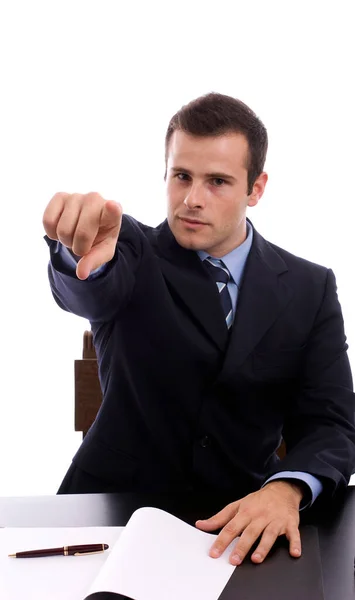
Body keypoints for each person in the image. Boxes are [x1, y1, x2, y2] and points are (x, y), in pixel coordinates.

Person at [43, 92, 355, 567]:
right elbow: (93, 289)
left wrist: (287, 489)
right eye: (181, 176)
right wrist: (77, 255)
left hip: (240, 524)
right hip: (110, 514)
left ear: (256, 189)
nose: (192, 199)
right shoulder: (129, 247)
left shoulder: (310, 288)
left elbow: (332, 424)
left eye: (218, 182)